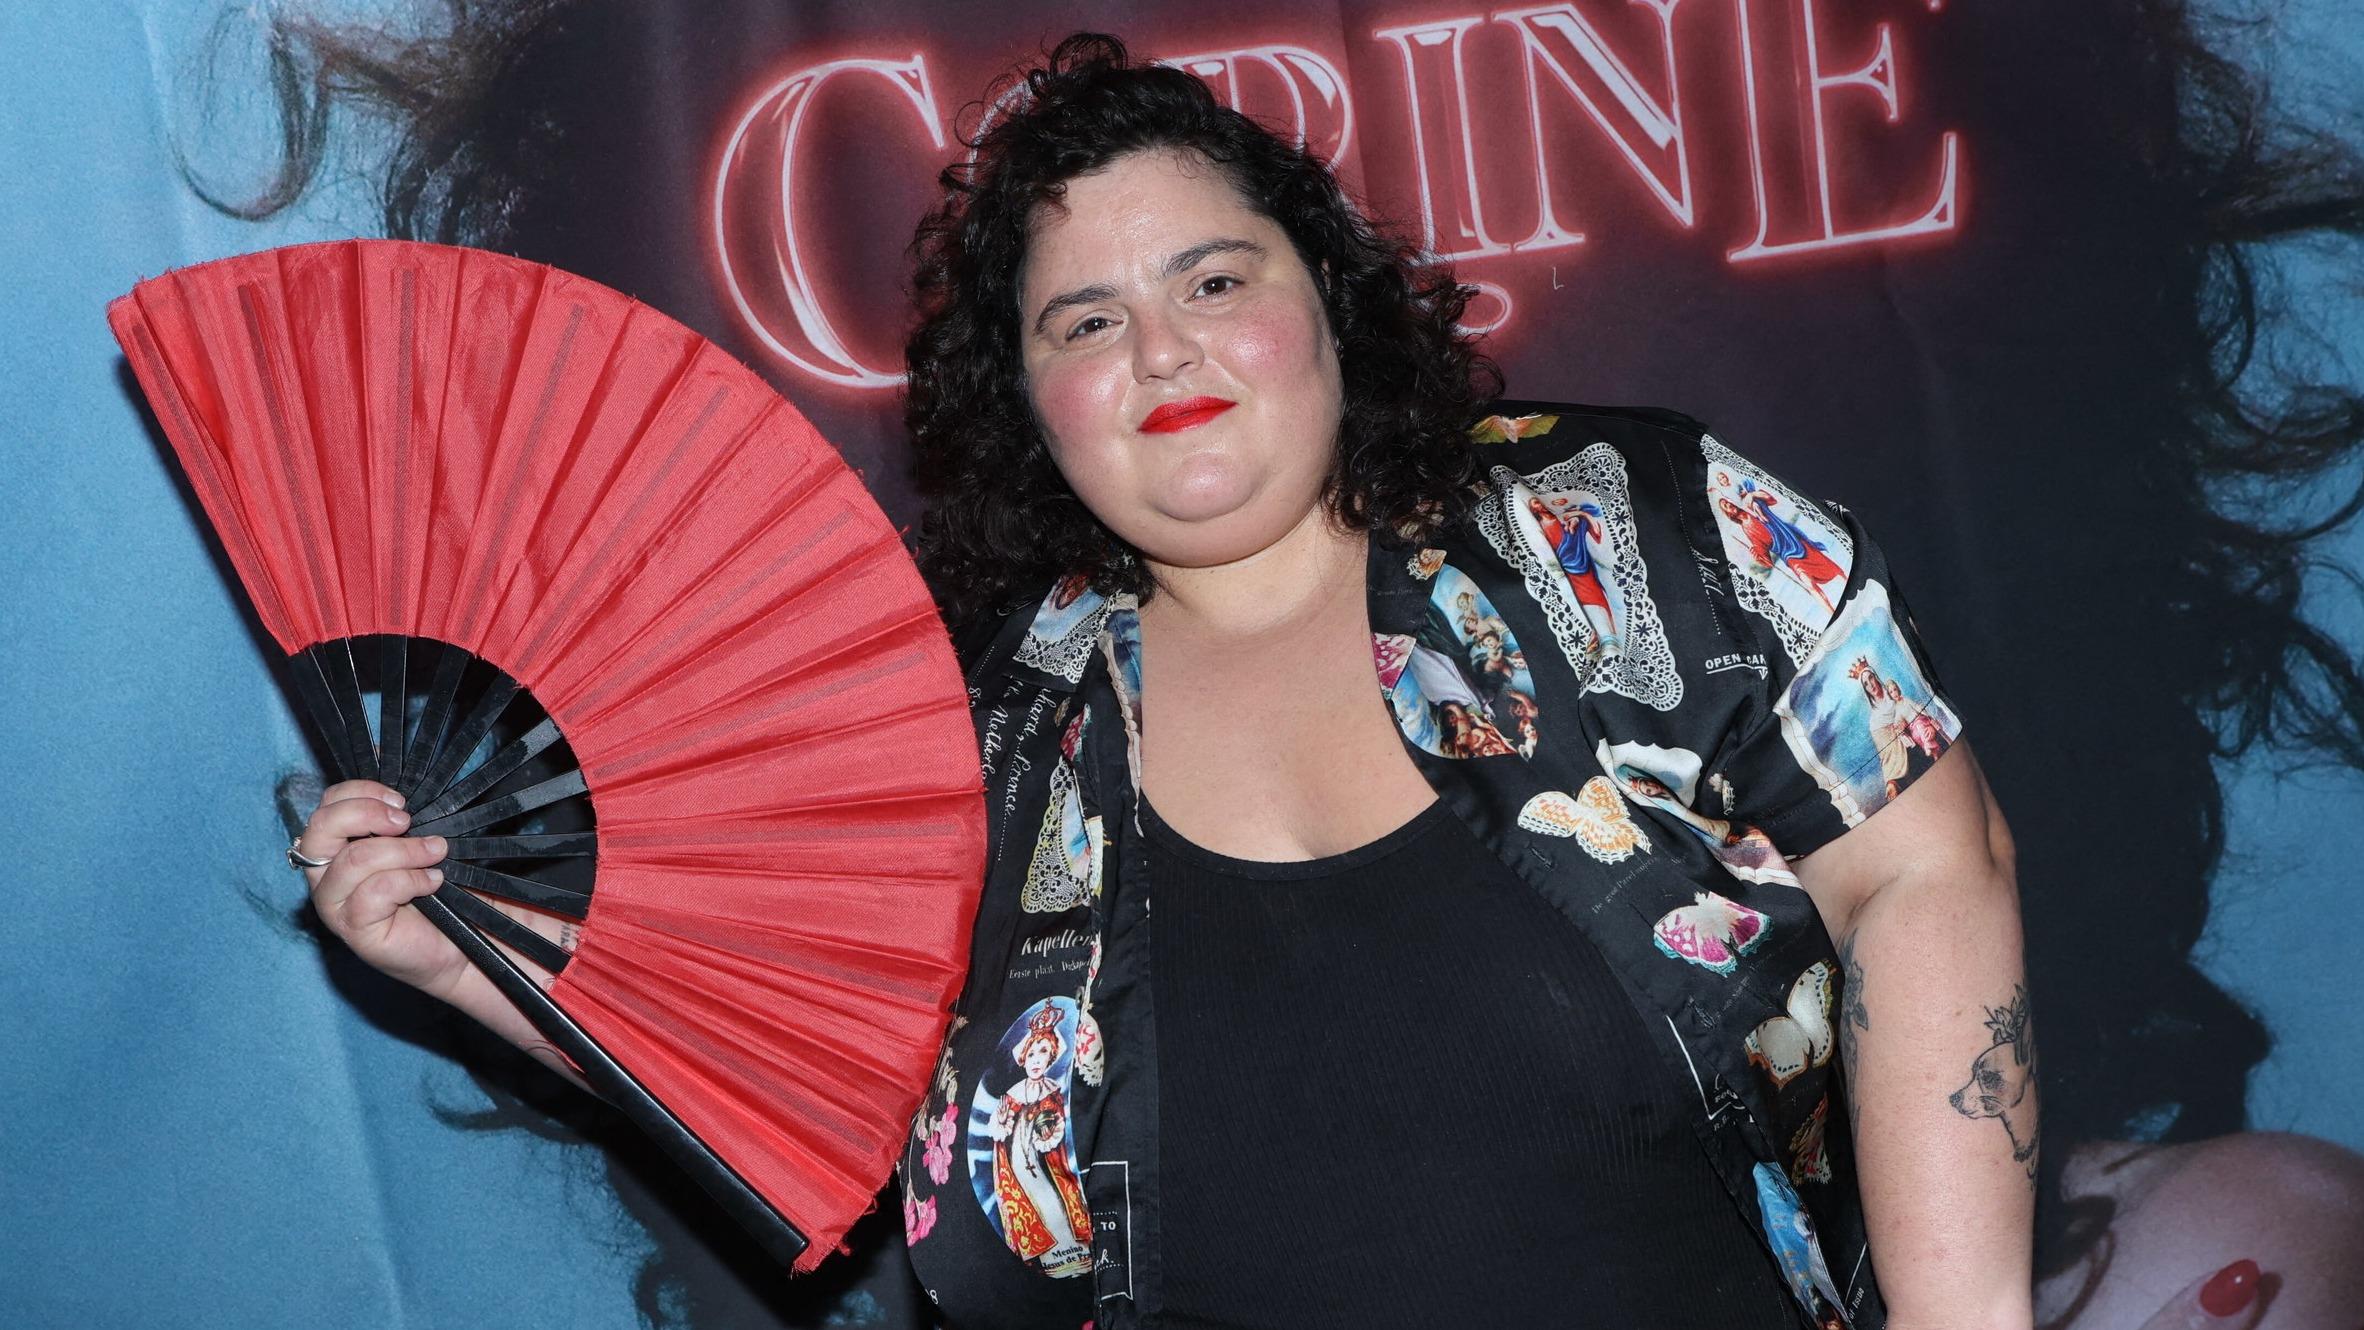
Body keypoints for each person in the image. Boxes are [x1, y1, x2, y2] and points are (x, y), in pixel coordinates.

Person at [298, 33, 2041, 1327]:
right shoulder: (978, 738)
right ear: (1029, 406)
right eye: (1084, 321)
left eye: (1216, 278)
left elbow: (1926, 868)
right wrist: (470, 960)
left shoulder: (1633, 529)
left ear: (1329, 307)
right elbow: (805, 1075)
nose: (1163, 351)